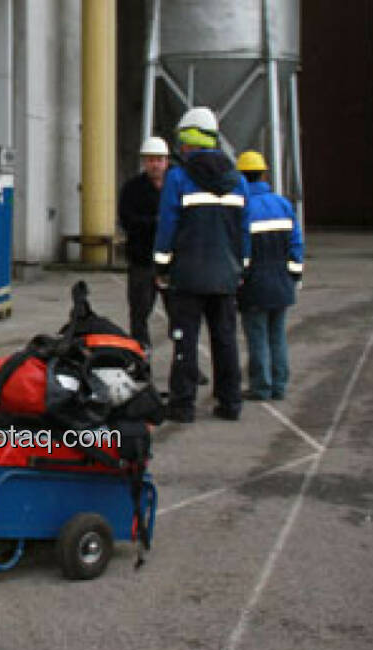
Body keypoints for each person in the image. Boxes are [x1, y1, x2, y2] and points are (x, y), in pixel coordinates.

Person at [153, 106, 252, 423]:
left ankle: (183, 406)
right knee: (225, 341)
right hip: (225, 276)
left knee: (185, 341)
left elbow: (167, 225)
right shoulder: (237, 181)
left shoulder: (178, 178)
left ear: (188, 140)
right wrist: (241, 269)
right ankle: (230, 403)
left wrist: (161, 267)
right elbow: (243, 232)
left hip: (187, 276)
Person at [235, 150, 304, 401]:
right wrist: (294, 276)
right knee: (277, 336)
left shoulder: (243, 208)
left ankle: (261, 386)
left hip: (255, 284)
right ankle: (279, 385)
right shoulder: (282, 204)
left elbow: (242, 250)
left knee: (257, 337)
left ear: (240, 175)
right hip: (282, 282)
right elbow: (296, 245)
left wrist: (239, 279)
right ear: (264, 174)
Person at [118, 136, 171, 353]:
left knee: (180, 316)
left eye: (159, 160)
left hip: (171, 262)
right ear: (144, 162)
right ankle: (140, 358)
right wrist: (156, 223)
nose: (155, 164)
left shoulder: (176, 186)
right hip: (142, 261)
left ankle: (187, 365)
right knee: (139, 313)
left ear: (166, 161)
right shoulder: (133, 189)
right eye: (150, 160)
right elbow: (126, 220)